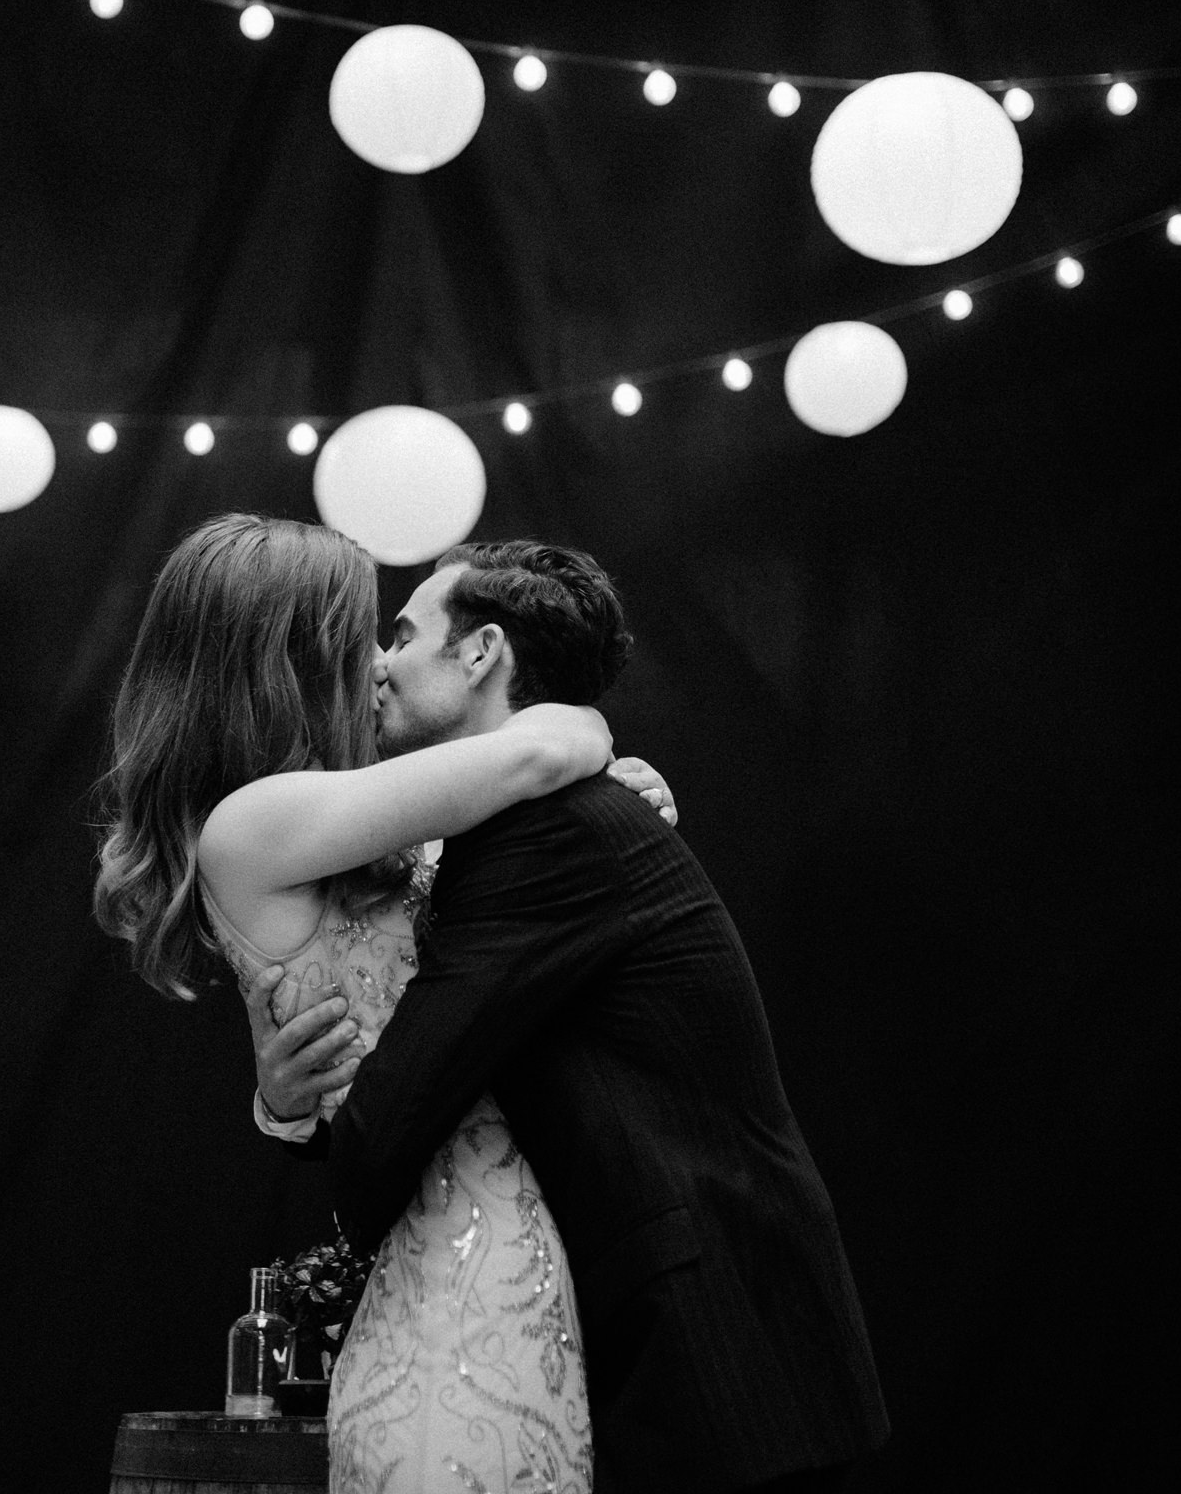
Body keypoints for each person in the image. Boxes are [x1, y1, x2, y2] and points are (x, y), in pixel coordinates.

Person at [248, 541, 890, 1493]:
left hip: (718, 1348)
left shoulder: (540, 834)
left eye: (405, 633)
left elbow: (393, 1124)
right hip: (707, 1332)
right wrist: (285, 1104)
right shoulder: (528, 819)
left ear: (481, 654)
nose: (377, 663)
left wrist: (330, 1120)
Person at [95, 514, 676, 1493]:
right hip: (456, 1282)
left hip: (538, 1257)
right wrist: (585, 742)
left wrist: (610, 808)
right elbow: (536, 757)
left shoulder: (342, 827)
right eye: (358, 633)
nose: (378, 659)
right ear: (292, 658)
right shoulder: (254, 825)